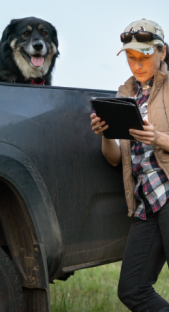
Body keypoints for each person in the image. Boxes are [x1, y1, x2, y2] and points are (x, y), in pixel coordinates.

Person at [90, 19, 169, 312]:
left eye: (145, 56)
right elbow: (114, 158)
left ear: (162, 52)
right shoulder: (124, 95)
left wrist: (157, 137)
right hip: (145, 202)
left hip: (168, 192)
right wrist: (105, 134)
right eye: (131, 57)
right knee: (132, 289)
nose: (137, 65)